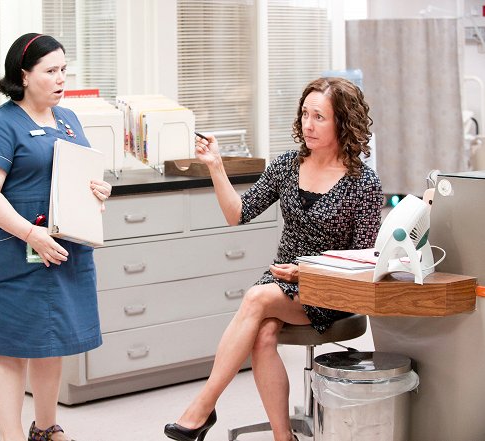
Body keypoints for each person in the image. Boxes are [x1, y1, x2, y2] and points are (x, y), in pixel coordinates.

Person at [163, 77, 383, 441]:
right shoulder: (287, 165)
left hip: (331, 291)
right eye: (305, 114)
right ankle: (285, 438)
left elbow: (364, 263)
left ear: (344, 122)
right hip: (282, 283)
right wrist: (215, 166)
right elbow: (238, 214)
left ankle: (202, 407)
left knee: (256, 297)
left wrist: (308, 272)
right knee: (263, 333)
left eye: (320, 117)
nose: (308, 125)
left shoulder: (364, 184)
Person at [0, 33, 112, 441]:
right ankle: (11, 435)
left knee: (54, 342)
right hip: (17, 251)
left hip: (65, 248)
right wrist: (31, 233)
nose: (60, 78)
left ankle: (46, 428)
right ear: (24, 75)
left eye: (64, 69)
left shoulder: (68, 119)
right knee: (12, 348)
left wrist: (98, 190)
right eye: (50, 71)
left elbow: (80, 175)